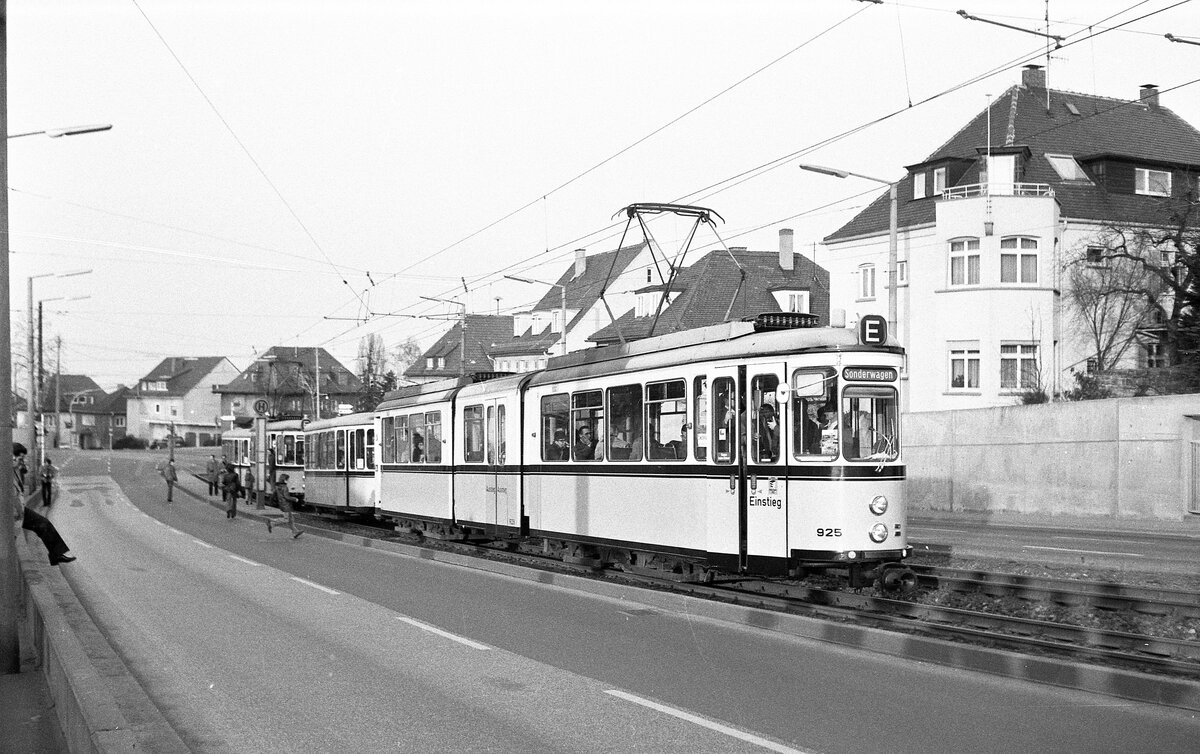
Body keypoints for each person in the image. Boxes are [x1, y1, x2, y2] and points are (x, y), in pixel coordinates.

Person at [12, 445, 74, 565]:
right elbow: (11, 495)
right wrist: (20, 511)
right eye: (20, 459)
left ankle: (56, 554)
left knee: (44, 524)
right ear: (11, 457)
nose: (22, 462)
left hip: (19, 510)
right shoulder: (4, 472)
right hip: (13, 512)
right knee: (12, 540)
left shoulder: (14, 471)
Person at [266, 473, 302, 538]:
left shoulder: (278, 487)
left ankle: (295, 532)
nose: (288, 481)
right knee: (286, 519)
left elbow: (274, 495)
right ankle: (271, 521)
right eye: (288, 479)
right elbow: (287, 497)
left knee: (291, 519)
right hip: (286, 506)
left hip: (282, 505)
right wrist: (295, 499)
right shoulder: (285, 487)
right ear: (284, 480)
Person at [757, 394, 779, 462]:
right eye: (763, 413)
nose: (766, 415)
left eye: (768, 412)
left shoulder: (777, 424)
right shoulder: (757, 425)